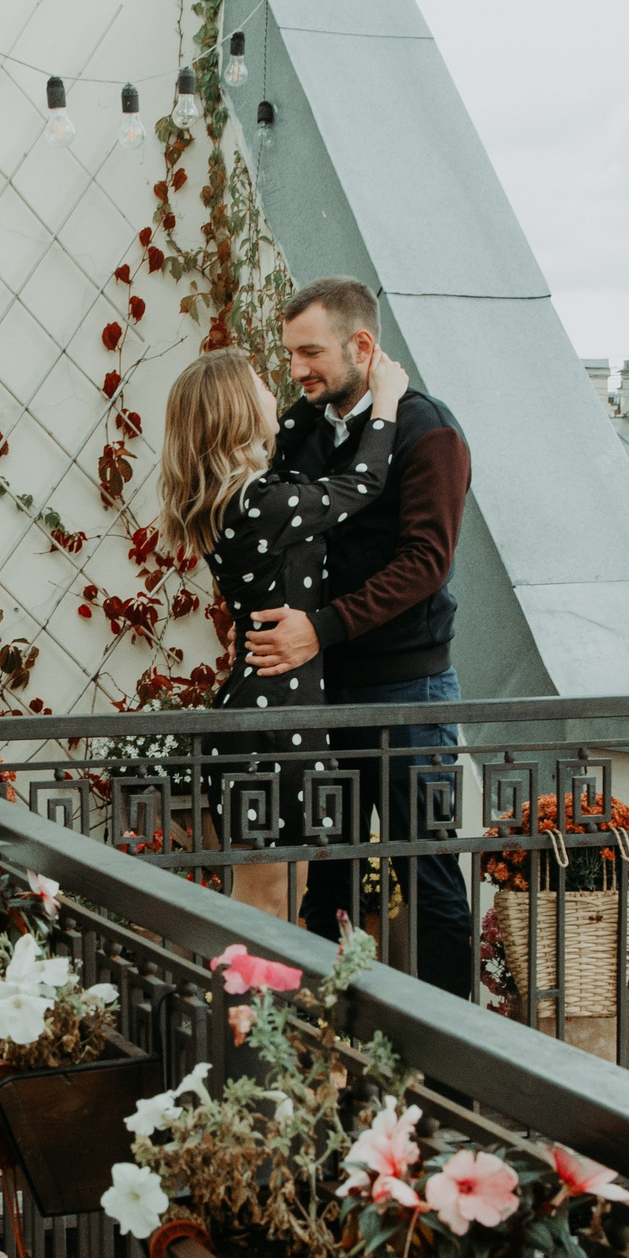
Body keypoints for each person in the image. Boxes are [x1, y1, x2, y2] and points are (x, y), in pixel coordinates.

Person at [246, 276, 475, 996]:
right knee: (329, 878)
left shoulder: (428, 430)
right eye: (290, 354)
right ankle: (328, 1039)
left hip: (410, 694)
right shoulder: (305, 430)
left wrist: (321, 628)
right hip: (328, 692)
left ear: (362, 345)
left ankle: (452, 1056)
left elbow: (425, 563)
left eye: (310, 352)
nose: (297, 368)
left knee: (429, 877)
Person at [156, 346, 410, 921]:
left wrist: (327, 377)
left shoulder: (242, 497)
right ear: (241, 410)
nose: (278, 392)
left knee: (286, 895)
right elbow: (362, 483)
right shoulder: (261, 503)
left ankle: (259, 986)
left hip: (277, 708)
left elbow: (290, 420)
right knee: (266, 900)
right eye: (262, 386)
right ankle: (235, 985)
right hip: (269, 720)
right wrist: (387, 401)